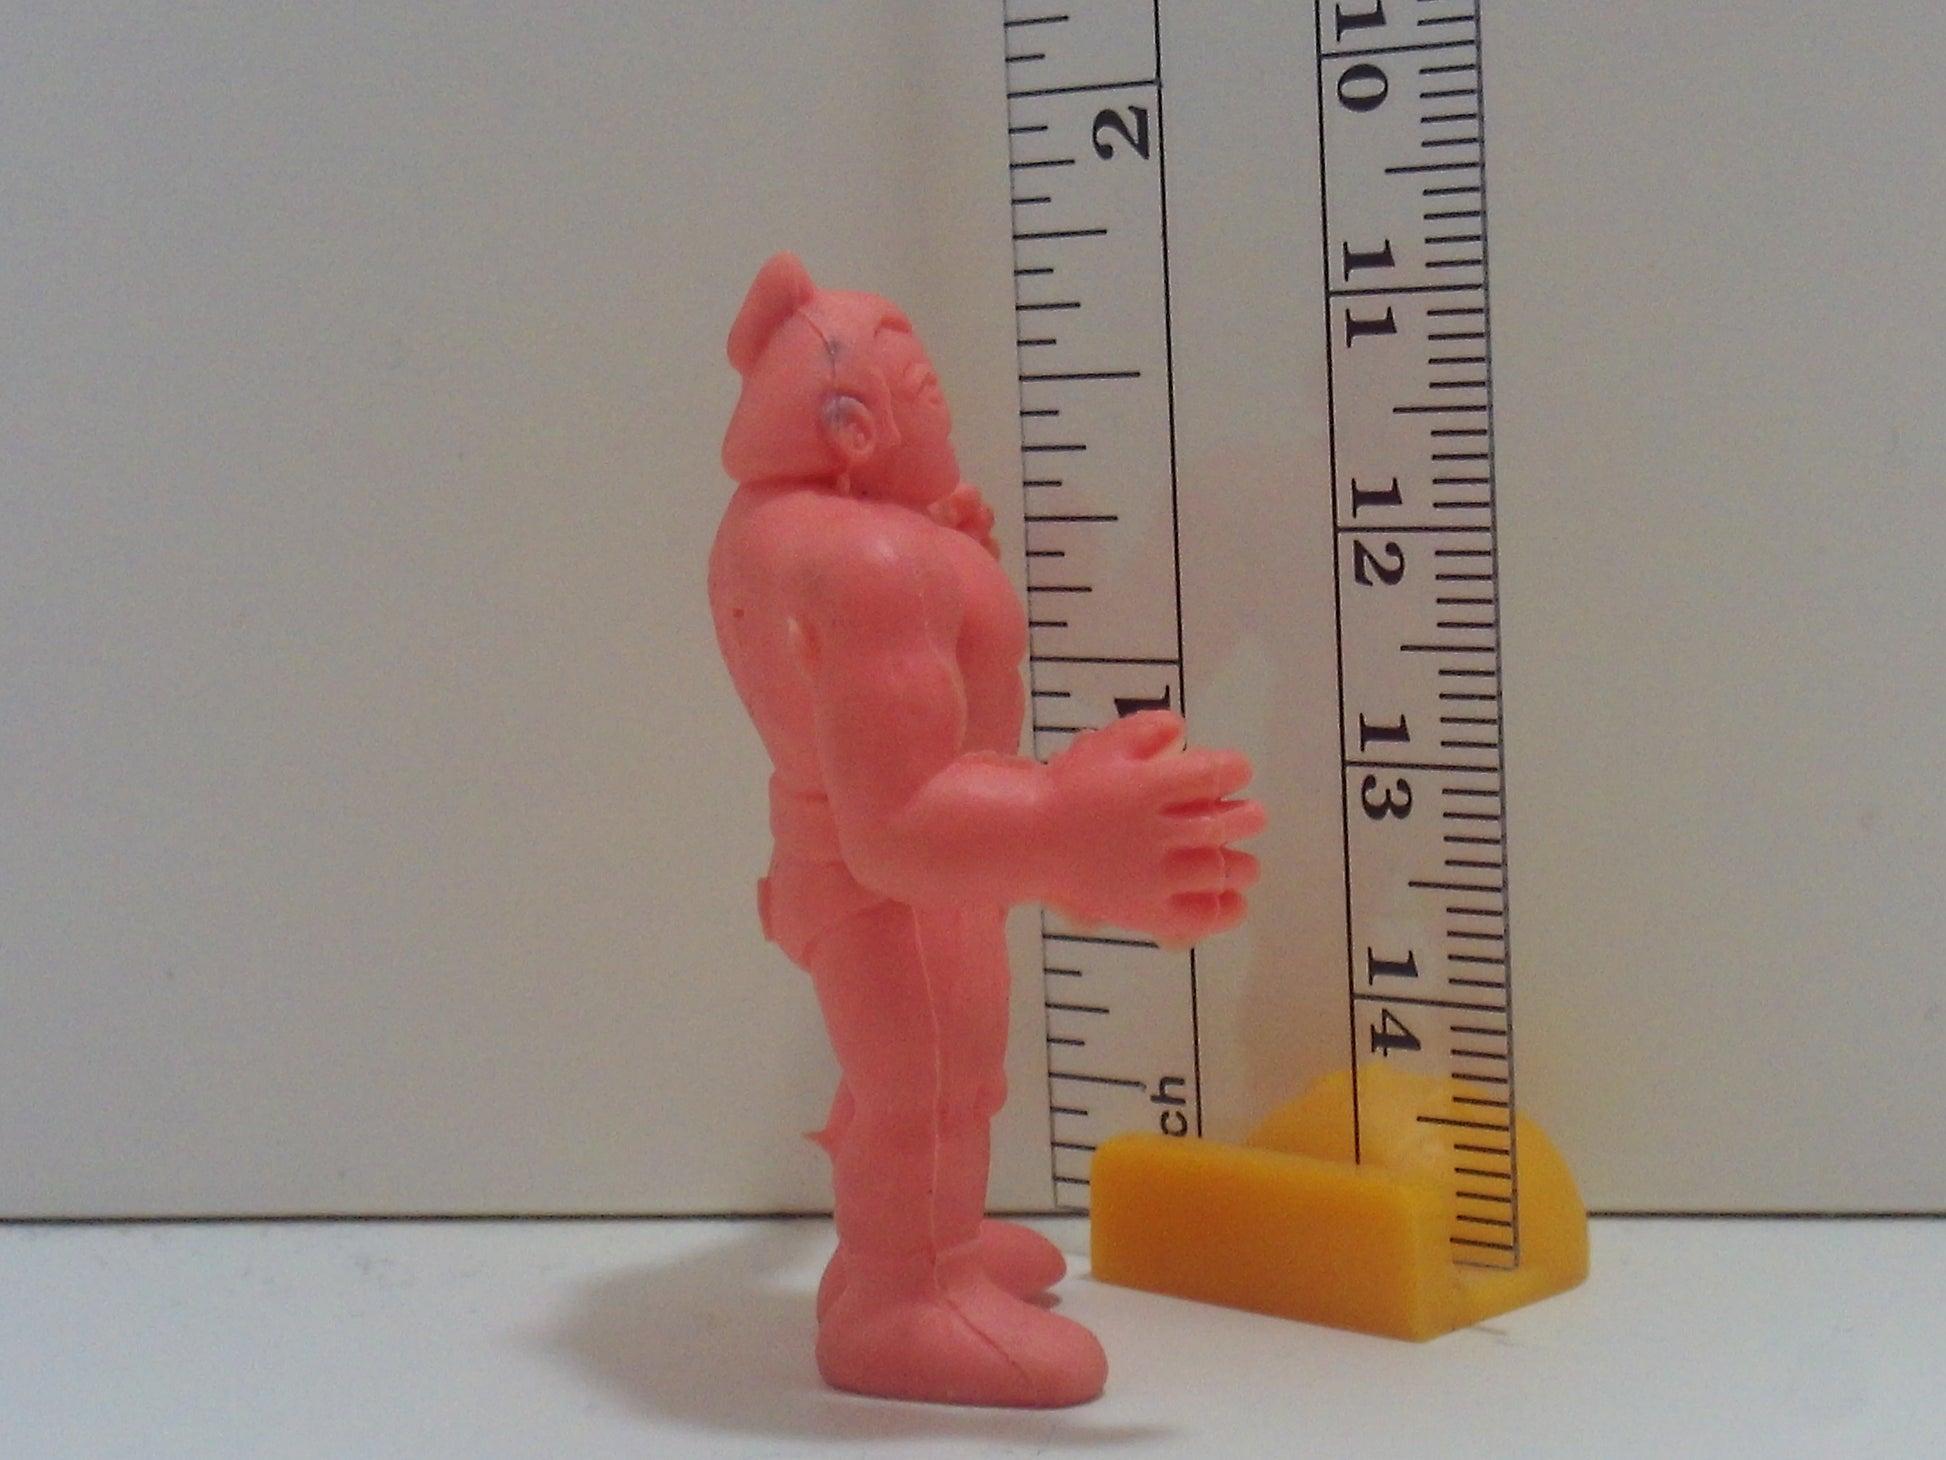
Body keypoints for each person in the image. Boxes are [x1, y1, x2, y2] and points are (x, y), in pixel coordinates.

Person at [708, 253, 1264, 1407]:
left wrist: (941, 558)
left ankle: (918, 1238)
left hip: (879, 871)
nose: (945, 416)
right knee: (926, 1083)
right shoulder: (868, 561)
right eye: (927, 398)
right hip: (888, 882)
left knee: (934, 1072)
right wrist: (1066, 827)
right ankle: (899, 1294)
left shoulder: (786, 529)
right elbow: (894, 822)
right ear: (854, 427)